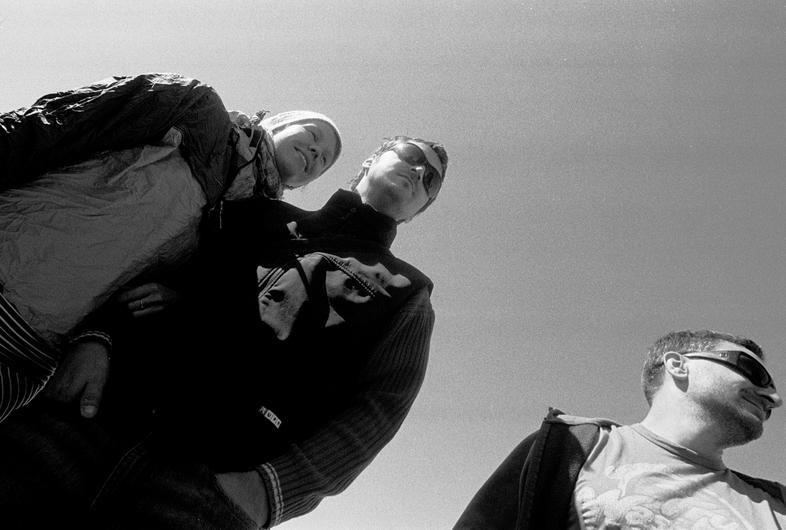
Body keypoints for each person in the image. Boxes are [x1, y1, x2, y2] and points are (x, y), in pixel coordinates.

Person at [0, 135, 448, 529]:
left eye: (430, 180)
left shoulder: (408, 293)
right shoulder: (256, 211)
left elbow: (379, 409)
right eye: (411, 157)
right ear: (371, 161)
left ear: (418, 212)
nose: (418, 172)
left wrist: (271, 490)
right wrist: (97, 337)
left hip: (210, 485)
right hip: (92, 413)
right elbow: (147, 256)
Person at [0, 72, 342, 422]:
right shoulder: (198, 109)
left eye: (324, 161)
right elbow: (58, 125)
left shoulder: (254, 232)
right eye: (313, 135)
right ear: (279, 123)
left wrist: (100, 335)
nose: (316, 152)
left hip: (32, 355)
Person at [454, 329, 785, 529]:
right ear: (677, 365)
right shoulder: (570, 449)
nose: (774, 398)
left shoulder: (776, 503)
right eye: (754, 372)